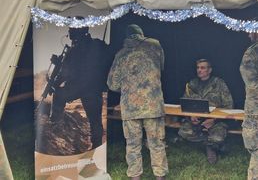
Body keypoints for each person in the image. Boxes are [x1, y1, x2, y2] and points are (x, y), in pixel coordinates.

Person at [107, 24, 168, 180]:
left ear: (126, 36)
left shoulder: (121, 54)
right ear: (141, 34)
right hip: (153, 106)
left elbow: (112, 84)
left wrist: (129, 86)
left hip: (130, 107)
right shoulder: (155, 45)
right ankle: (160, 176)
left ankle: (135, 177)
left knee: (133, 145)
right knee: (157, 143)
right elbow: (160, 68)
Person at [50, 16, 112, 149]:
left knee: (59, 95)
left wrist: (54, 84)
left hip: (79, 87)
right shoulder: (98, 44)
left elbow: (65, 73)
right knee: (95, 120)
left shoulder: (75, 49)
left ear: (78, 30)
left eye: (71, 28)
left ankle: (55, 126)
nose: (69, 31)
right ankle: (96, 146)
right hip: (93, 88)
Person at [178, 59, 233, 164]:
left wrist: (214, 120)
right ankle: (210, 144)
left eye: (203, 68)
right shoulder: (191, 84)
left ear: (210, 70)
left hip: (216, 120)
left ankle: (213, 145)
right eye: (198, 68)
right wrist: (191, 116)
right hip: (197, 120)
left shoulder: (219, 83)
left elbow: (229, 105)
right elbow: (185, 103)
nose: (199, 70)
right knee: (184, 133)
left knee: (217, 137)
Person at [240, 29, 258, 180]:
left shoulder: (251, 53)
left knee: (254, 146)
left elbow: (252, 86)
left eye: (251, 31)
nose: (249, 35)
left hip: (255, 110)